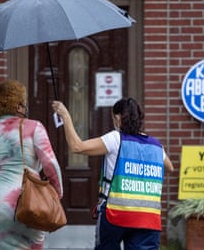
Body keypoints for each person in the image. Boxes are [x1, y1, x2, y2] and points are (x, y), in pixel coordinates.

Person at [52, 97, 174, 250]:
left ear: (118, 118)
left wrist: (65, 116)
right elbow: (169, 167)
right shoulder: (157, 146)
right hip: (148, 218)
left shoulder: (116, 138)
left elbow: (77, 147)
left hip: (115, 214)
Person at [0, 80, 63, 250]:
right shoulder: (35, 127)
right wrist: (56, 194)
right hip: (32, 204)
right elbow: (50, 164)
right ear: (20, 105)